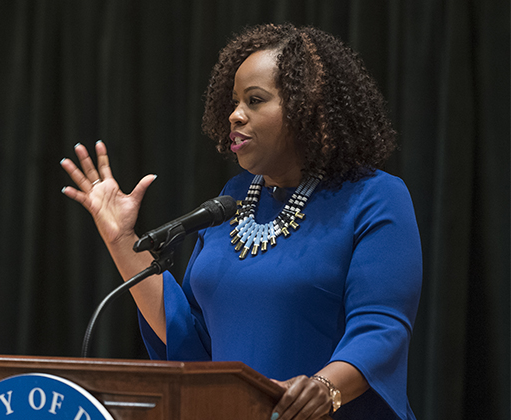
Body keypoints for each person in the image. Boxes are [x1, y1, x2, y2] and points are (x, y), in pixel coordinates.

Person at [60, 23, 422, 420]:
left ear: (308, 108)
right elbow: (189, 337)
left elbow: (381, 328)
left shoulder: (374, 197)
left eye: (254, 100)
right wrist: (121, 240)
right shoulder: (232, 200)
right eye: (233, 102)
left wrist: (324, 388)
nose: (234, 115)